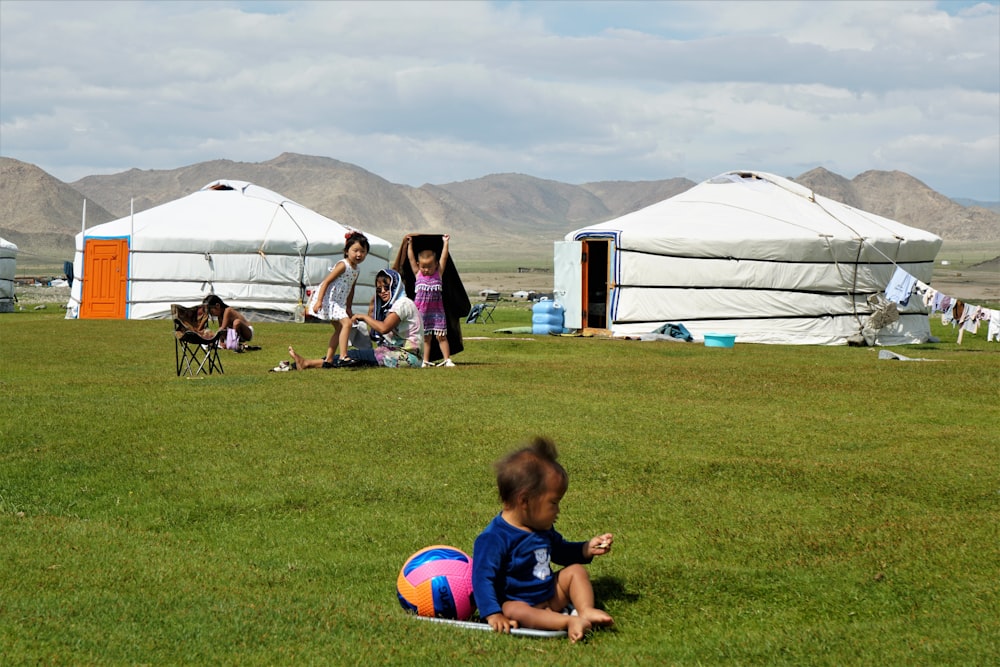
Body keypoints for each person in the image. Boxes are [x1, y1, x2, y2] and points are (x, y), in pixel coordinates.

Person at [472, 437, 614, 642]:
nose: (558, 511)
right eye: (554, 503)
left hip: (549, 593)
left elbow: (560, 550)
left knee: (576, 571)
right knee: (512, 609)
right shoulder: (494, 538)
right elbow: (481, 578)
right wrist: (493, 614)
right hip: (520, 603)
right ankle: (567, 622)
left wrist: (585, 549)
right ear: (525, 500)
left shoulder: (542, 529)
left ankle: (586, 610)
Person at [286, 268, 424, 369]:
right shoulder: (394, 305)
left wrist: (362, 316)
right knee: (356, 356)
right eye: (379, 289)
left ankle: (308, 363)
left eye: (386, 287)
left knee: (356, 356)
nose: (382, 292)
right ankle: (307, 363)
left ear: (395, 286)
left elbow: (383, 327)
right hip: (395, 352)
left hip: (408, 357)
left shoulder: (402, 304)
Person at [307, 231, 370, 366]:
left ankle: (329, 360)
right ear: (347, 251)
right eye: (355, 250)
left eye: (363, 251)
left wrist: (348, 307)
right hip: (329, 300)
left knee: (340, 329)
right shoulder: (343, 265)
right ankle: (343, 356)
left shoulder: (357, 270)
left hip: (339, 302)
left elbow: (351, 289)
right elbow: (326, 282)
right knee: (346, 324)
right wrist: (318, 301)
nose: (359, 254)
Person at [405, 234, 454, 367]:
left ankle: (447, 359)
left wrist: (445, 243)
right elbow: (410, 258)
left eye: (429, 267)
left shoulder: (439, 273)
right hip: (422, 313)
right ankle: (425, 361)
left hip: (437, 312)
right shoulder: (418, 274)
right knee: (426, 338)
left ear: (436, 264)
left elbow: (444, 257)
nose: (426, 270)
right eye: (423, 267)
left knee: (441, 336)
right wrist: (410, 244)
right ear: (418, 265)